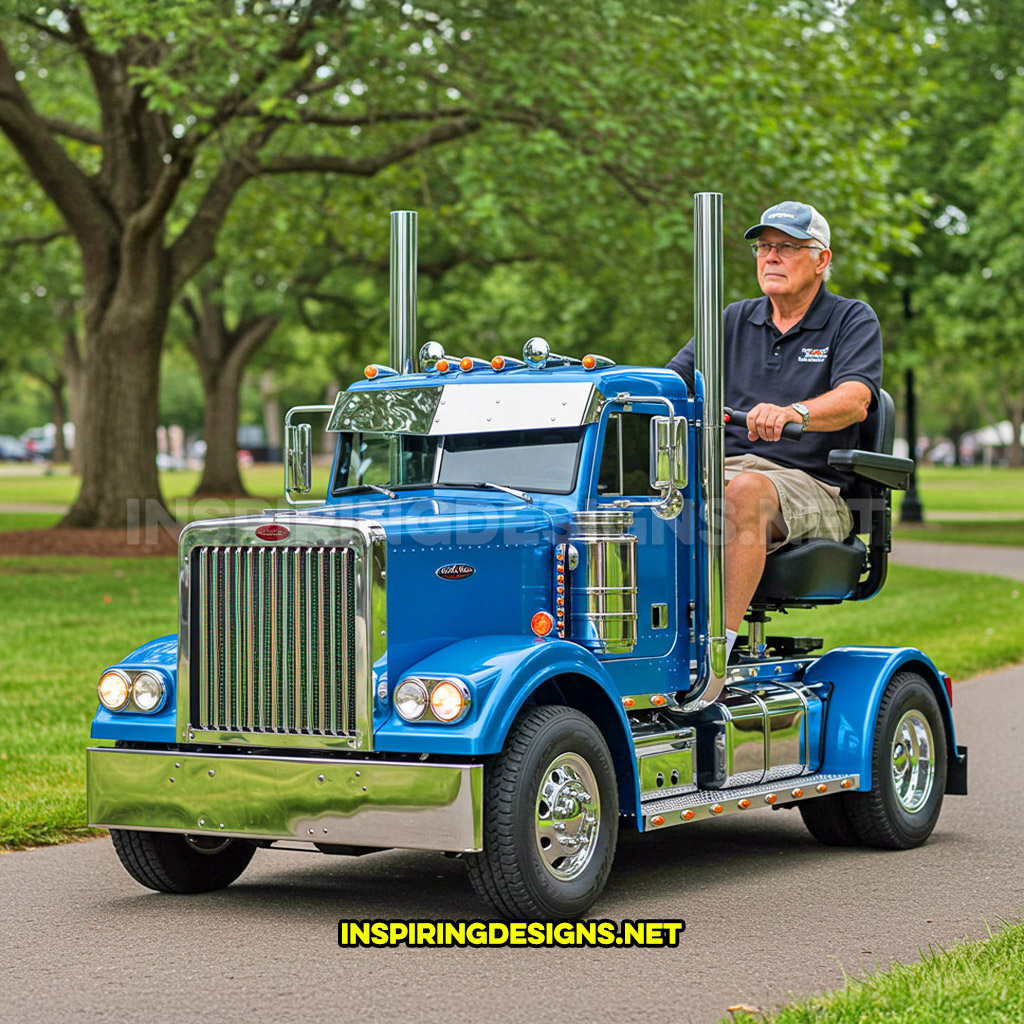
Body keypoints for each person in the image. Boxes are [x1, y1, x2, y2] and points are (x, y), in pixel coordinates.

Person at [667, 201, 882, 662]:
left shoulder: (851, 319)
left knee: (746, 491)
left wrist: (794, 413)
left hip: (812, 487)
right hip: (719, 472)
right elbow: (665, 387)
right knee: (627, 496)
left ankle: (712, 661)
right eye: (764, 247)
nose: (771, 257)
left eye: (786, 247)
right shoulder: (731, 320)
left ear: (821, 259)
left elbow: (856, 399)